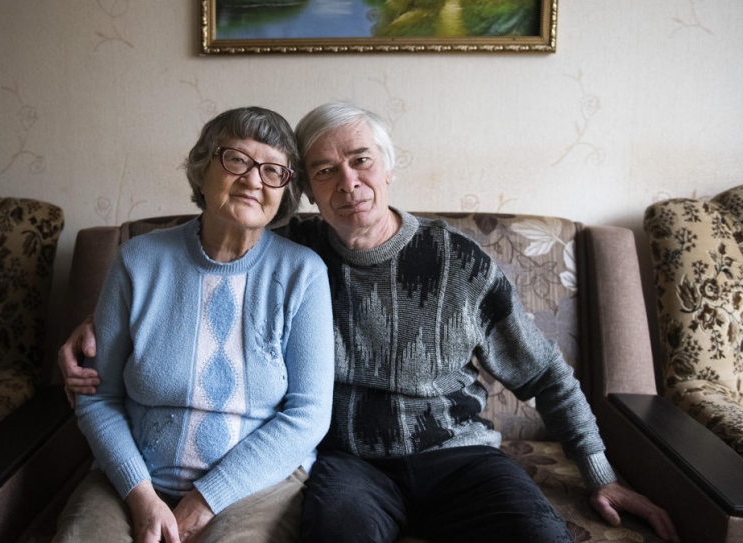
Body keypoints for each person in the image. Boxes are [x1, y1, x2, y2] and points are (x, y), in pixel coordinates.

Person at [59, 102, 679, 542]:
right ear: (308, 192)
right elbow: (200, 265)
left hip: (457, 457)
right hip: (350, 463)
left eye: (360, 160)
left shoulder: (455, 262)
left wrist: (600, 472)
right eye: (325, 170)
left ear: (387, 167)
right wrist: (101, 321)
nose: (347, 182)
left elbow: (546, 374)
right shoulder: (299, 247)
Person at [52, 106, 334, 543]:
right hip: (134, 478)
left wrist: (204, 501)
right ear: (203, 167)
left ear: (286, 190)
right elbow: (97, 396)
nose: (253, 179)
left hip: (255, 487)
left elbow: (309, 414)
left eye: (273, 170)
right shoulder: (137, 261)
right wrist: (141, 497)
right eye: (237, 160)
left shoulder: (303, 273)